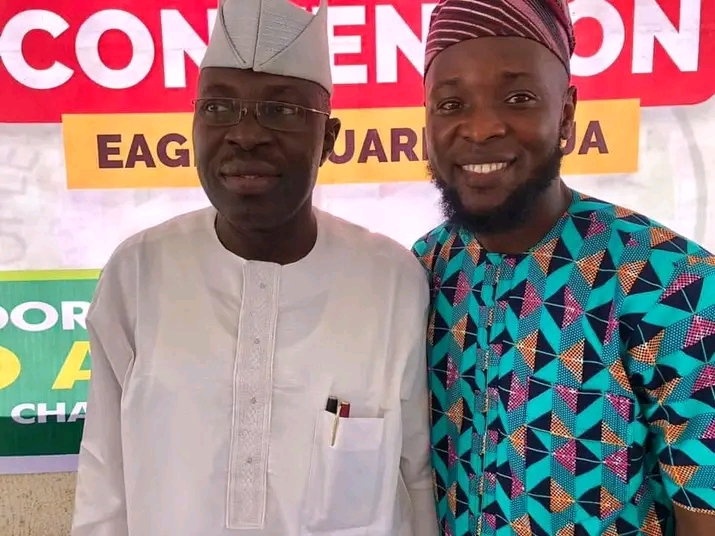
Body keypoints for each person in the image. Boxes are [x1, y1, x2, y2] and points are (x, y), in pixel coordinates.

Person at [70, 0, 438, 534]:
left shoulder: (392, 282)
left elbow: (417, 477)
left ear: (329, 139)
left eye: (282, 110)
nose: (245, 135)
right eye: (218, 107)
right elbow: (105, 485)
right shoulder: (138, 273)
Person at [411, 0, 715, 535]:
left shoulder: (671, 284)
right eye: (451, 103)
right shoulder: (420, 272)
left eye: (519, 98)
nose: (481, 129)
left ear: (567, 114)